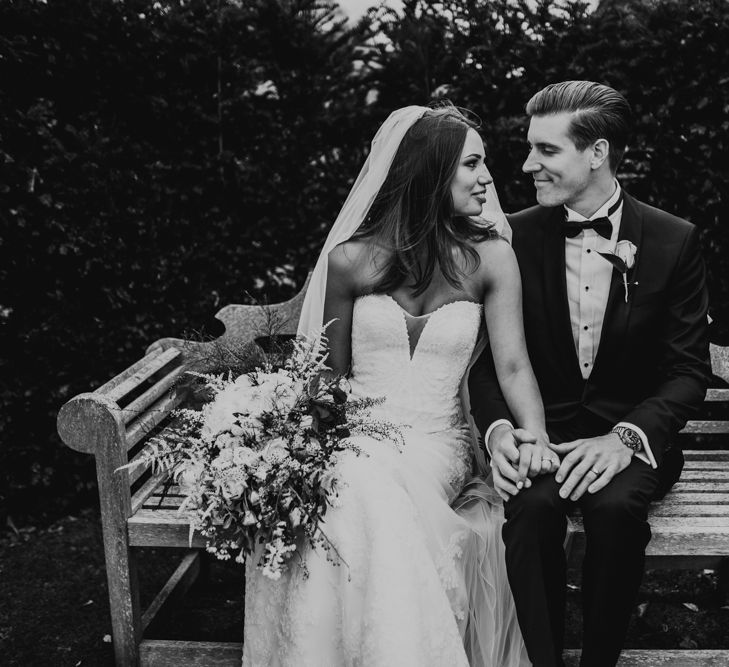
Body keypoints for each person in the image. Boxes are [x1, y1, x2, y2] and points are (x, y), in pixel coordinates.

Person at [242, 105, 544, 666]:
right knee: (349, 482)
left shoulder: (491, 259)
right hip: (357, 436)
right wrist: (292, 441)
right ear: (431, 174)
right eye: (473, 164)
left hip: (438, 442)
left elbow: (513, 367)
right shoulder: (350, 261)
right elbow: (327, 377)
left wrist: (537, 437)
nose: (488, 179)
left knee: (357, 488)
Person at [469, 81, 712, 667]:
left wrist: (626, 439)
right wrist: (503, 433)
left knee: (615, 510)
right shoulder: (511, 237)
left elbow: (687, 370)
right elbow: (481, 362)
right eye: (530, 149)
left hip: (630, 436)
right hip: (542, 435)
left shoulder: (672, 241)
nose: (528, 164)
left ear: (596, 153)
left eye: (546, 151)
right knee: (530, 512)